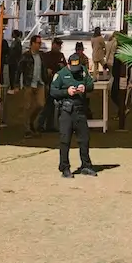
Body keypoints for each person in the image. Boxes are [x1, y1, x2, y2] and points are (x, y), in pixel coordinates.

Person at [51, 49, 96, 177]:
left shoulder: (83, 71)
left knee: (84, 139)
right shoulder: (61, 74)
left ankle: (86, 165)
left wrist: (84, 87)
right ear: (68, 65)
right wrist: (67, 92)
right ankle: (64, 167)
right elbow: (53, 91)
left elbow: (91, 85)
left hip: (80, 109)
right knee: (65, 140)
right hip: (66, 110)